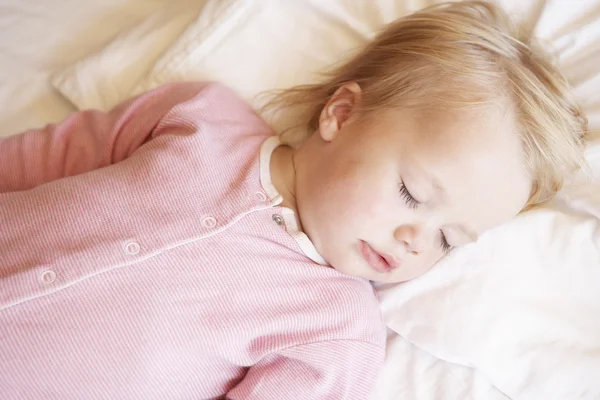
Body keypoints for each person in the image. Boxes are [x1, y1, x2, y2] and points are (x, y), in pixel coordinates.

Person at [0, 1, 586, 399]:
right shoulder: (200, 119)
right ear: (342, 113)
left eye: (447, 240)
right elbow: (50, 155)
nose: (416, 241)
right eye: (412, 194)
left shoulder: (332, 331)